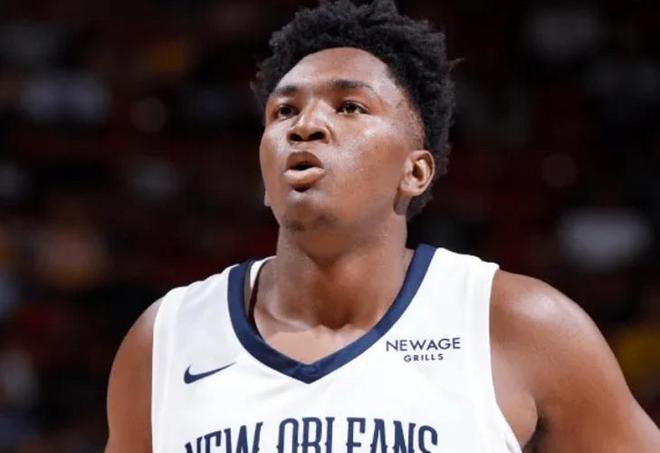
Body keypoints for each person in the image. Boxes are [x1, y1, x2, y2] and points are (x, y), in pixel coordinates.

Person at [105, 1, 660, 452]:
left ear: (415, 172)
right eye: (283, 112)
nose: (306, 126)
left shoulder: (519, 325)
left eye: (349, 106)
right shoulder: (166, 339)